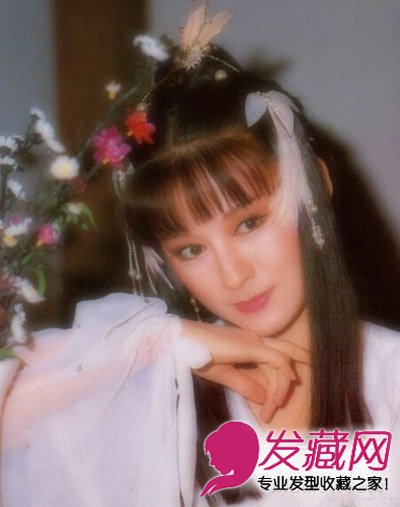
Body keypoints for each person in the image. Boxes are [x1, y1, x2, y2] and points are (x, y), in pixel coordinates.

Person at [1, 5, 400, 507]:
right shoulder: (160, 386)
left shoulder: (390, 377)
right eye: (191, 249)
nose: (233, 275)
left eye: (249, 223)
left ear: (315, 185)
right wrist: (155, 345)